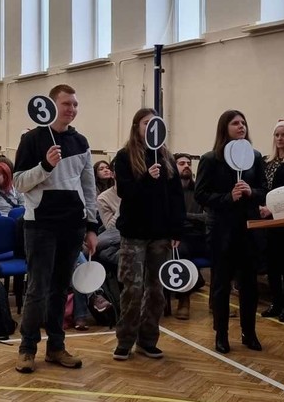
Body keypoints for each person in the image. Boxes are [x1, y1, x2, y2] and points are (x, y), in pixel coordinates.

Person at [13, 83, 97, 373]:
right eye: (66, 104)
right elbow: (19, 183)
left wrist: (91, 226)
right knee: (37, 289)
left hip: (72, 225)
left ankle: (56, 347)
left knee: (60, 290)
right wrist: (45, 166)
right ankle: (27, 349)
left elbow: (89, 187)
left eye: (75, 104)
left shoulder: (81, 142)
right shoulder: (31, 140)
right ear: (51, 106)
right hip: (40, 225)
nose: (72, 109)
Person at [113, 107, 185, 361]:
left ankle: (147, 340)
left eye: (155, 123)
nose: (151, 127)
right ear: (137, 127)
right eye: (146, 123)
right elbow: (124, 192)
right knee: (132, 289)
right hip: (134, 232)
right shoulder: (124, 156)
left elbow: (176, 197)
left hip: (160, 233)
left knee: (156, 291)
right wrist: (145, 177)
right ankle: (125, 340)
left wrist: (177, 229)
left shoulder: (167, 157)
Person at [195, 109, 266, 355]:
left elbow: (264, 190)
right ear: (224, 128)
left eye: (243, 122)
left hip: (248, 229)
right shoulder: (210, 159)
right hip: (221, 230)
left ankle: (249, 332)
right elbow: (201, 194)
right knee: (221, 285)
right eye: (235, 123)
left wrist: (251, 192)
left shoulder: (255, 157)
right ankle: (221, 334)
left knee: (249, 285)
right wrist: (228, 197)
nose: (241, 126)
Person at [259, 120, 284, 321]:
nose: (280, 138)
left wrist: (273, 208)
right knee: (272, 263)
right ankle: (276, 301)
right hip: (266, 218)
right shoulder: (267, 161)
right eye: (277, 135)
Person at [173, 153, 207, 320]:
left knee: (222, 249)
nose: (186, 165)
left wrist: (185, 216)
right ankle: (183, 301)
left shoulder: (199, 191)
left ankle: (217, 303)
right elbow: (170, 217)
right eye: (181, 163)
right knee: (181, 252)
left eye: (188, 163)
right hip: (179, 237)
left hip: (201, 235)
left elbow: (207, 217)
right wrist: (193, 218)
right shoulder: (170, 191)